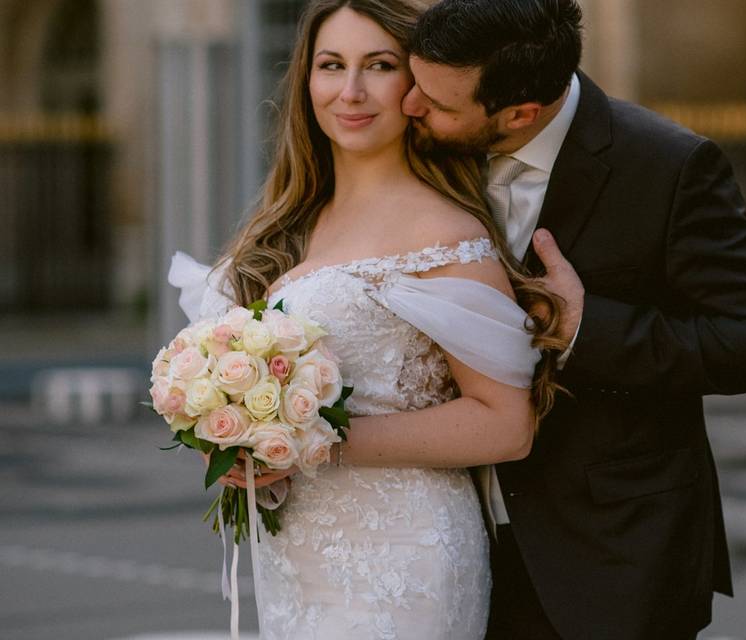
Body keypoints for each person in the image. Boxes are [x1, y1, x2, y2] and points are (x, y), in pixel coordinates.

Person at [398, 1, 746, 639]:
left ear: (519, 115)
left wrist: (587, 327)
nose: (410, 108)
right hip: (436, 546)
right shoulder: (415, 154)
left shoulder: (669, 167)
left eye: (440, 105)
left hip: (608, 556)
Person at [167, 1, 566, 638]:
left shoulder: (445, 233)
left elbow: (505, 423)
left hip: (403, 557)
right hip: (296, 556)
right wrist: (238, 430)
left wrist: (307, 440)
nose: (350, 91)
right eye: (331, 66)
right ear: (307, 81)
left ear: (416, 88)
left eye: (378, 65)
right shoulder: (288, 224)